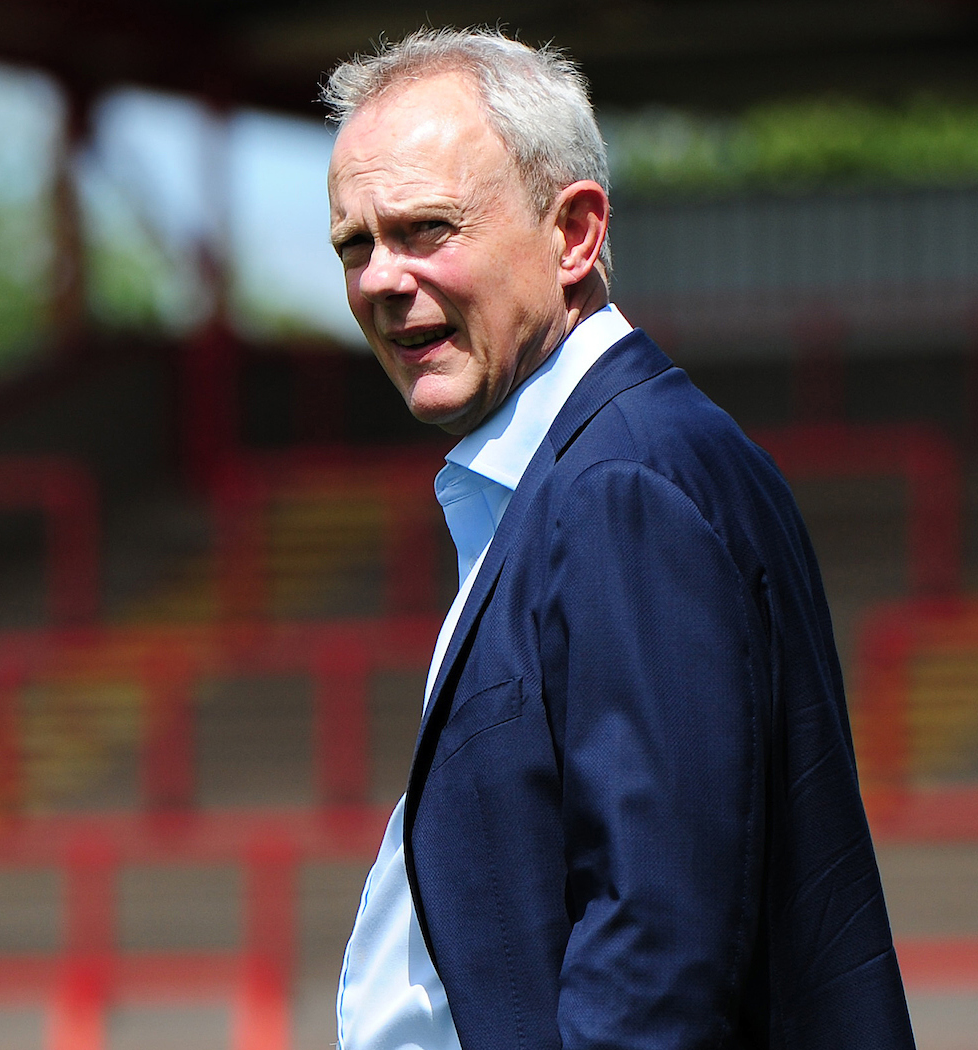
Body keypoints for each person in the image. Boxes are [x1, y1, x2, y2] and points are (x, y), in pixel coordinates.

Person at [324, 30, 916, 1050]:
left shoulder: (624, 486)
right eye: (354, 244)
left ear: (576, 234)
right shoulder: (590, 467)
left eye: (425, 229)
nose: (382, 278)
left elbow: (657, 944)